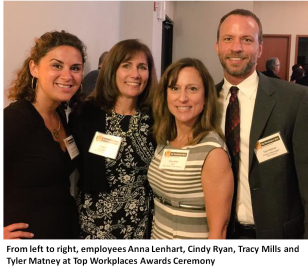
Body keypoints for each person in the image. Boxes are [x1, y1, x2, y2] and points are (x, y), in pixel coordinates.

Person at [215, 9, 308, 240]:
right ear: (217, 46)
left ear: (260, 48)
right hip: (218, 232)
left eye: (246, 39)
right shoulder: (203, 102)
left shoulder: (296, 99)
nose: (236, 48)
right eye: (228, 39)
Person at [69, 39, 158, 240]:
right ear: (112, 70)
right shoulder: (85, 114)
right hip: (94, 223)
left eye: (142, 67)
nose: (135, 74)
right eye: (126, 65)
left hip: (142, 223)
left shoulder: (157, 117)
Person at [3, 30, 86, 240]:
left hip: (63, 228)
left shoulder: (60, 116)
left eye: (75, 68)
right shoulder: (15, 120)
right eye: (57, 65)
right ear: (34, 68)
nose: (67, 76)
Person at [148, 58, 234, 240]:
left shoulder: (212, 152)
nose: (182, 98)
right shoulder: (165, 140)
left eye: (192, 89)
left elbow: (219, 231)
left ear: (205, 97)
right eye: (175, 88)